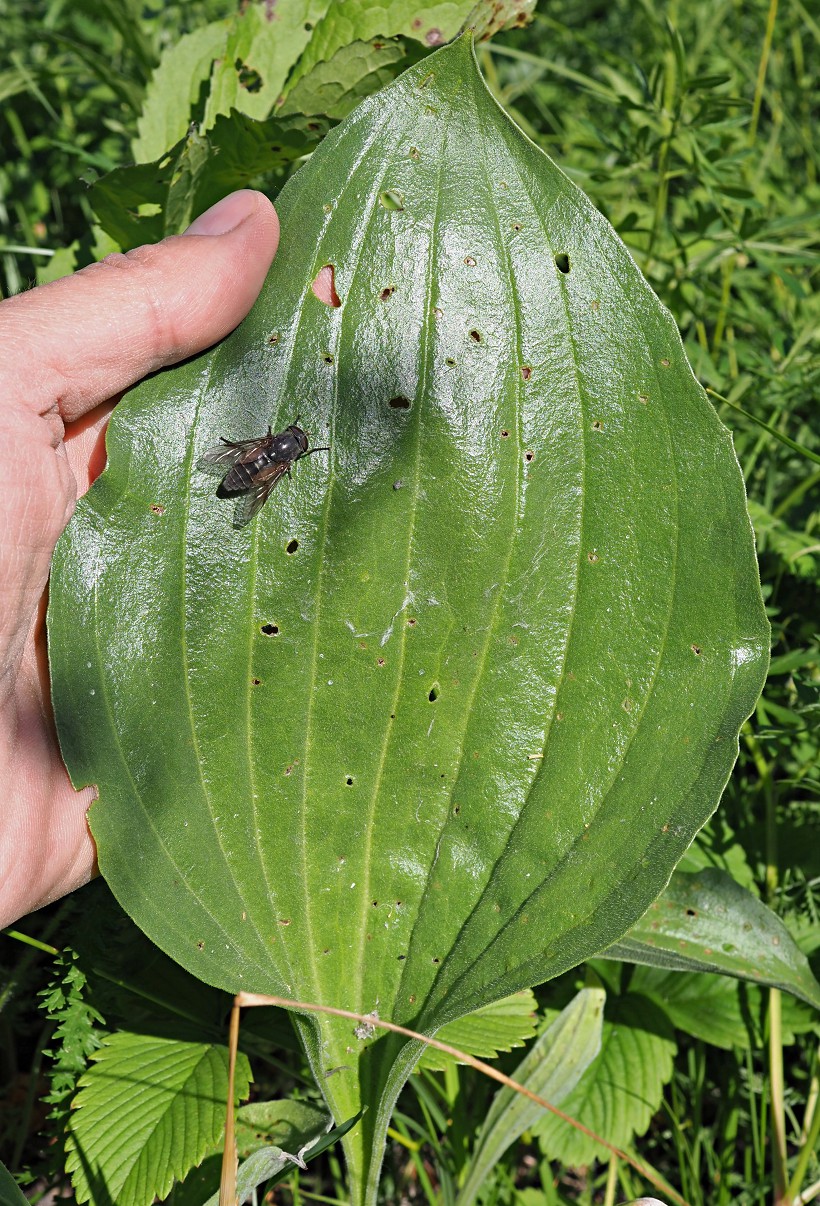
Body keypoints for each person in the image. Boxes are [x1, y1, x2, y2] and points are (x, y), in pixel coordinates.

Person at [0, 190, 280, 929]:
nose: (273, 455)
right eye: (279, 451)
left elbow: (245, 463)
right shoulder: (269, 461)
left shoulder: (264, 455)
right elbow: (249, 469)